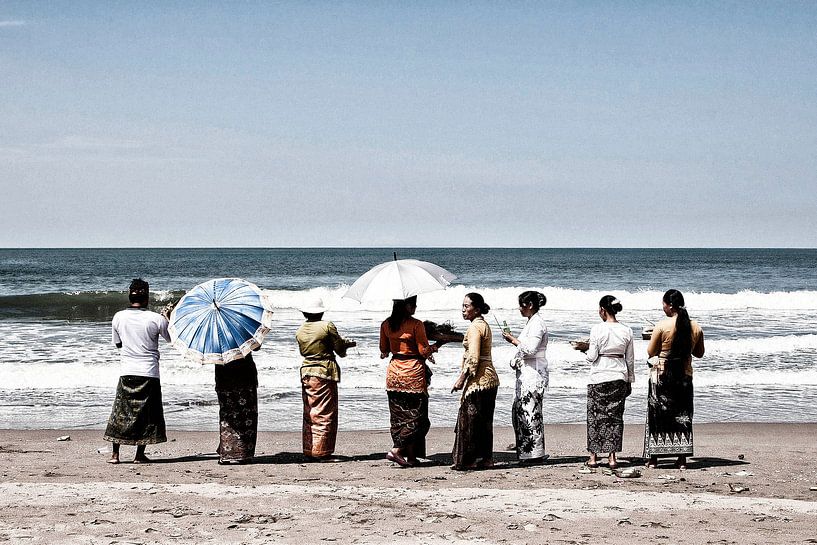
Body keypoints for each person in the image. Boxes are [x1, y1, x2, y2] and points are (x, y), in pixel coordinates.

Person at [104, 278, 170, 463]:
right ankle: (139, 455)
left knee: (120, 412)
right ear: (147, 297)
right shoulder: (156, 319)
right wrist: (169, 319)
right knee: (147, 414)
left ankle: (115, 454)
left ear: (129, 295)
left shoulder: (118, 317)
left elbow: (118, 344)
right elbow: (172, 339)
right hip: (149, 371)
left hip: (127, 370)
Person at [644, 289, 705, 470]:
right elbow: (699, 353)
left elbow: (651, 352)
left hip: (663, 375)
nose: (662, 307)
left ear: (670, 305)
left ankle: (654, 459)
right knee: (683, 416)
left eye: (663, 304)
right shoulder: (695, 326)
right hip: (684, 376)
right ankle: (682, 460)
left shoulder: (662, 326)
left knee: (658, 416)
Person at [380, 295, 440, 467]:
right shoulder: (416, 324)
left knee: (399, 417)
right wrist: (437, 345)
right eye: (412, 304)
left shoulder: (386, 324)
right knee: (419, 418)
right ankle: (397, 450)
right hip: (413, 373)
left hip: (393, 373)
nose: (415, 306)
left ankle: (411, 457)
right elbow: (423, 351)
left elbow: (384, 350)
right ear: (405, 306)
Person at [295, 297, 355, 461]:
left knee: (310, 412)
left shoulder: (300, 330)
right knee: (325, 412)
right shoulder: (327, 326)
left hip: (306, 371)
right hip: (324, 371)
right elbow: (339, 349)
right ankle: (322, 453)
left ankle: (309, 449)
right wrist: (346, 346)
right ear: (321, 312)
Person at [584, 295, 635, 469]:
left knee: (595, 417)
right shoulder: (626, 330)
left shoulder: (597, 329)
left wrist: (583, 349)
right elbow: (630, 359)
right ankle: (612, 457)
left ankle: (593, 456)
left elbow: (592, 357)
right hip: (619, 375)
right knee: (614, 417)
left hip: (599, 376)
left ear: (603, 310)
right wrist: (630, 380)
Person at [451, 292, 499, 470]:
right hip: (490, 380)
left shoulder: (474, 328)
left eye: (466, 306)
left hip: (479, 381)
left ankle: (469, 460)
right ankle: (487, 459)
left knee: (469, 422)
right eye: (462, 306)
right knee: (485, 422)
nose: (463, 309)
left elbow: (473, 358)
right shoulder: (483, 325)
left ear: (477, 309)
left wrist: (461, 379)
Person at [501, 291, 549, 464]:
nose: (519, 309)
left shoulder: (537, 324)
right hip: (527, 374)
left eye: (521, 305)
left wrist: (513, 340)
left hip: (533, 375)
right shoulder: (532, 322)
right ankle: (528, 453)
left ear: (529, 305)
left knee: (530, 414)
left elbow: (531, 349)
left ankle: (534, 454)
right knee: (522, 413)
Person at [214, 352, 258, 464]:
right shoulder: (242, 334)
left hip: (223, 374)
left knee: (227, 416)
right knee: (247, 415)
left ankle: (226, 454)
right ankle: (244, 454)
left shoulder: (215, 337)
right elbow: (257, 346)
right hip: (245, 374)